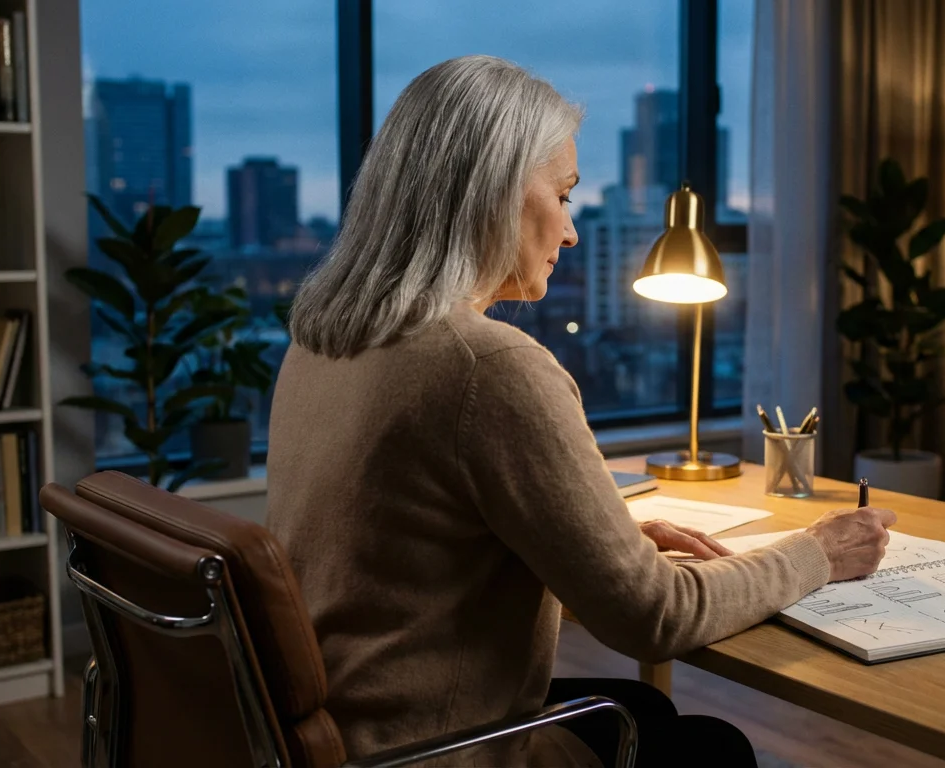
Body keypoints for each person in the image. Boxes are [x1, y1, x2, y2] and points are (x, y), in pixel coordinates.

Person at [266, 55, 896, 767]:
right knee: (710, 747)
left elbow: (393, 561)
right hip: (429, 750)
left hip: (328, 734)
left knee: (649, 711)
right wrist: (819, 552)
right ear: (494, 193)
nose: (570, 233)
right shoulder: (487, 367)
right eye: (562, 196)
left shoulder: (323, 340)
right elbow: (655, 617)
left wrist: (595, 546)